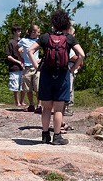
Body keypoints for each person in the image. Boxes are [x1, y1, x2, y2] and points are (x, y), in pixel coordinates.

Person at [27, 9, 85, 145]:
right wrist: (73, 69)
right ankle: (57, 136)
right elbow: (81, 55)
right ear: (66, 24)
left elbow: (30, 50)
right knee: (59, 109)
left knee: (46, 108)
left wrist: (37, 67)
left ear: (53, 23)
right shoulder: (69, 38)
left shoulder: (46, 37)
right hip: (62, 75)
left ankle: (45, 134)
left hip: (46, 74)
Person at [18, 25, 42, 113]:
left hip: (36, 66)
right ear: (32, 32)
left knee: (38, 87)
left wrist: (40, 59)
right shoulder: (24, 40)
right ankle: (31, 104)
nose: (39, 34)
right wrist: (21, 58)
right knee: (28, 88)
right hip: (27, 66)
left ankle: (39, 105)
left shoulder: (39, 40)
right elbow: (17, 48)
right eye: (37, 32)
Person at [5, 25, 25, 107]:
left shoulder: (23, 42)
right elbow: (8, 56)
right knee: (15, 85)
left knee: (24, 85)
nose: (20, 32)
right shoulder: (11, 42)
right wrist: (18, 61)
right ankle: (17, 102)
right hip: (15, 67)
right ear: (14, 32)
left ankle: (22, 101)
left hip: (24, 66)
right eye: (18, 31)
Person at [64, 26, 80, 116]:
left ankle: (67, 107)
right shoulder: (69, 43)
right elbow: (72, 57)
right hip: (69, 68)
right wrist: (79, 61)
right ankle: (64, 109)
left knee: (70, 88)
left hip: (71, 67)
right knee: (68, 89)